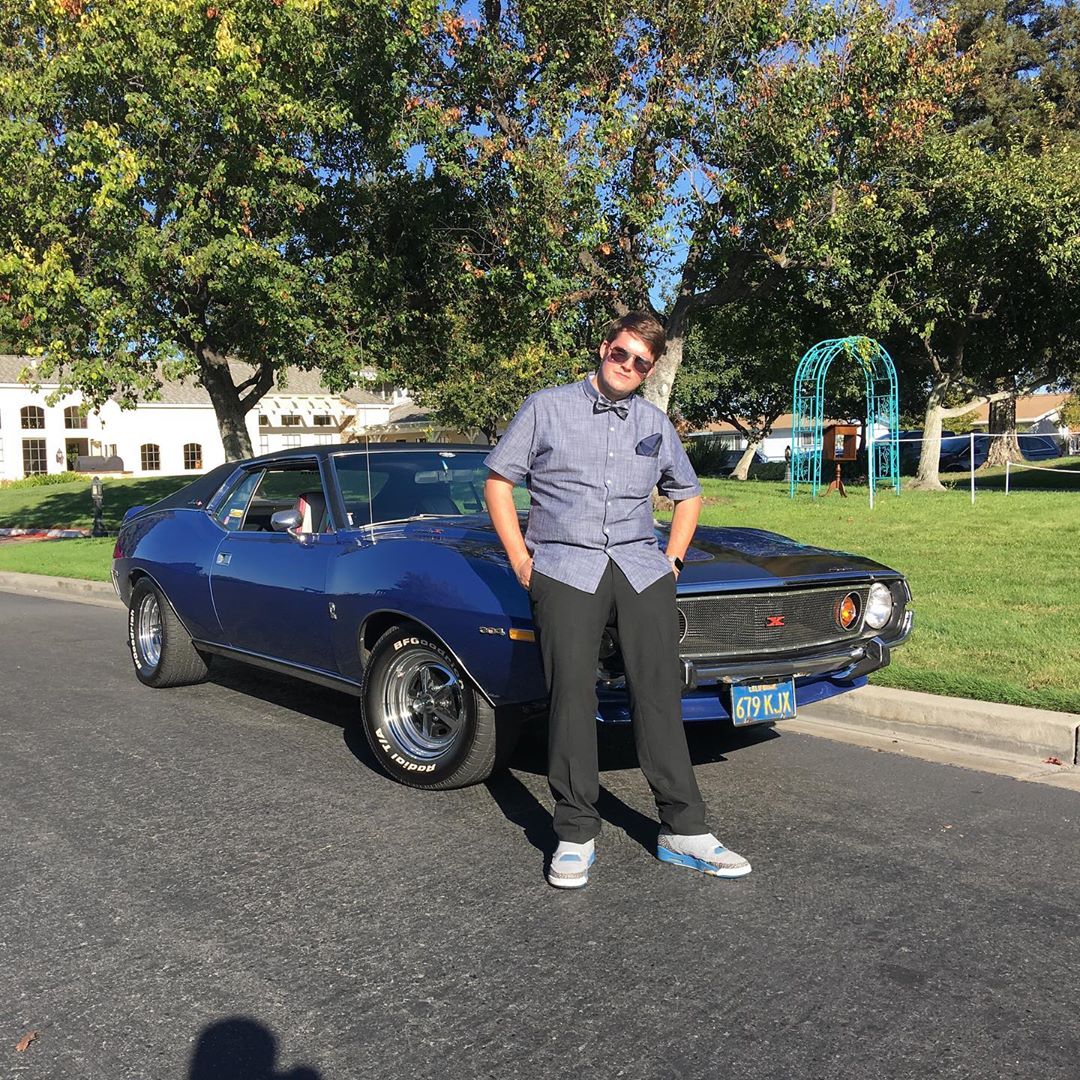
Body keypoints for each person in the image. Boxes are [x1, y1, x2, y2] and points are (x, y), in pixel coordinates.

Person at [484, 311, 752, 889]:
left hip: (639, 568)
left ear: (649, 370)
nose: (628, 366)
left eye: (641, 363)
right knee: (571, 696)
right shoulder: (546, 407)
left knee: (659, 692)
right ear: (604, 347)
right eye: (621, 353)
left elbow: (688, 494)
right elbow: (499, 482)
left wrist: (672, 560)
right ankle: (575, 831)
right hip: (564, 566)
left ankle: (684, 830)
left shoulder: (654, 421)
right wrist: (522, 561)